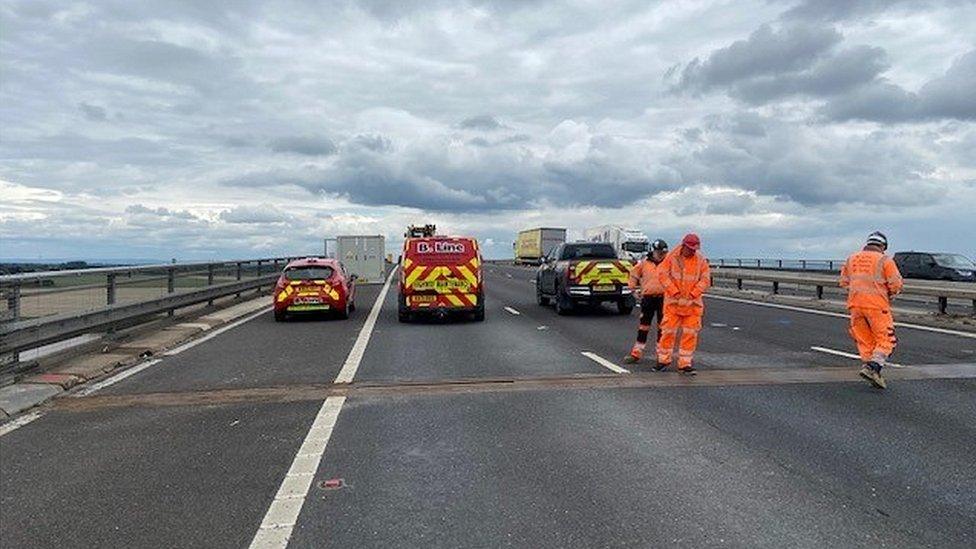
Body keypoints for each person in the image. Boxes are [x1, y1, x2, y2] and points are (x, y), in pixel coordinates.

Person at [839, 231, 903, 389]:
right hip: (877, 307)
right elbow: (895, 284)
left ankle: (872, 372)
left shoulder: (851, 258)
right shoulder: (884, 260)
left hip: (855, 305)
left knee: (865, 340)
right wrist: (891, 293)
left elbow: (844, 282)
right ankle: (872, 368)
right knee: (885, 339)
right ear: (883, 246)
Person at [656, 233, 710, 375]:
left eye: (695, 249)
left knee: (690, 334)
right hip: (674, 305)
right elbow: (662, 275)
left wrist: (693, 294)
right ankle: (663, 360)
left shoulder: (700, 260)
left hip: (692, 306)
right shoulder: (672, 257)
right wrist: (674, 292)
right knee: (667, 332)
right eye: (690, 248)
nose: (693, 251)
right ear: (683, 246)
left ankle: (685, 363)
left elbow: (705, 280)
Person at [623, 239, 669, 364]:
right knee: (643, 327)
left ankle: (662, 356)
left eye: (663, 252)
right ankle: (636, 354)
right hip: (648, 298)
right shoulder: (644, 263)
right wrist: (633, 290)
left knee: (663, 328)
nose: (661, 255)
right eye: (659, 252)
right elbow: (633, 275)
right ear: (653, 251)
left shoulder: (669, 263)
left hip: (664, 299)